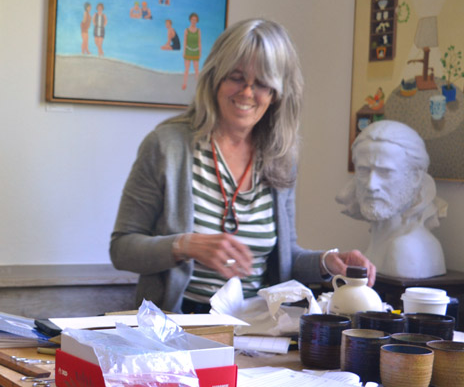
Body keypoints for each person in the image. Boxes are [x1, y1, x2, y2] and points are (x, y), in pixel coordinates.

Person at [110, 18, 375, 317]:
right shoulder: (166, 146)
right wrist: (185, 245)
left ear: (277, 95)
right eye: (236, 77)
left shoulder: (280, 159)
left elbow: (284, 259)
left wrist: (329, 261)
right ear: (215, 78)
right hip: (176, 325)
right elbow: (122, 249)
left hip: (255, 329)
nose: (247, 92)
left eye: (262, 83)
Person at [336, 120, 446, 278]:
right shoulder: (380, 242)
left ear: (415, 177)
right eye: (363, 170)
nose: (371, 185)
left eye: (385, 172)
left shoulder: (404, 249)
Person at [182, 12, 201, 90]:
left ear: (197, 21)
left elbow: (199, 42)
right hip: (188, 50)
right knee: (187, 69)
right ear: (190, 20)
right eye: (192, 19)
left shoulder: (198, 31)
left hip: (196, 51)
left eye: (195, 20)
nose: (194, 21)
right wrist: (184, 52)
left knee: (196, 69)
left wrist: (200, 52)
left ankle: (199, 86)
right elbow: (185, 41)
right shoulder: (186, 30)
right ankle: (184, 84)